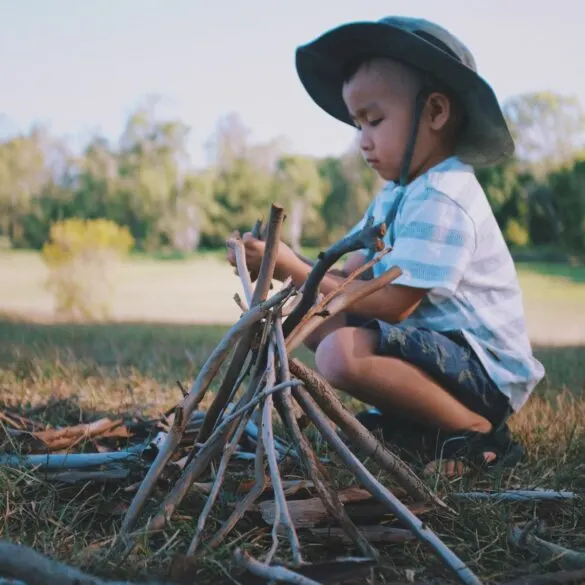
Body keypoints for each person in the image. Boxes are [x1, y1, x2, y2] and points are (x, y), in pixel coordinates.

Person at [226, 16, 545, 477]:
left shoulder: (444, 195)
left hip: (483, 371)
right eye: (358, 124)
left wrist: (292, 265)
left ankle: (476, 431)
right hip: (440, 351)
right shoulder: (398, 193)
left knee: (340, 353)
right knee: (310, 316)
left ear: (435, 113)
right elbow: (348, 271)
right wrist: (278, 262)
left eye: (374, 120)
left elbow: (395, 302)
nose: (363, 140)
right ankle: (419, 424)